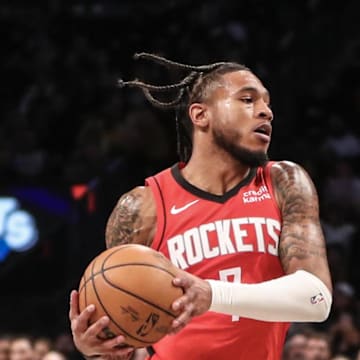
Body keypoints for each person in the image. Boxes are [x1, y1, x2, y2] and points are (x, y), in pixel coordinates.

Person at [69, 53, 333, 360]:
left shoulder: (283, 182)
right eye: (247, 99)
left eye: (267, 103)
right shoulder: (142, 207)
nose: (266, 112)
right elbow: (131, 340)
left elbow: (316, 299)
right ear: (200, 115)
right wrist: (101, 350)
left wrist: (212, 294)